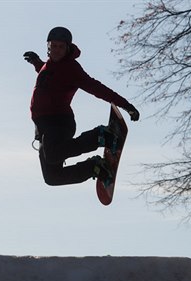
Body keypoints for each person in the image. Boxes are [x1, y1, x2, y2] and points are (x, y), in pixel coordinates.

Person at [23, 26, 139, 187]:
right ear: (48, 47)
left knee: (53, 155)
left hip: (59, 123)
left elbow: (96, 88)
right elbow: (52, 77)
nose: (56, 51)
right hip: (43, 129)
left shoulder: (71, 68)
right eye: (53, 46)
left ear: (67, 48)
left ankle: (100, 136)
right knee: (52, 177)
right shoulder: (48, 65)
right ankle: (94, 168)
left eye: (60, 47)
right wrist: (36, 62)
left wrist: (125, 105)